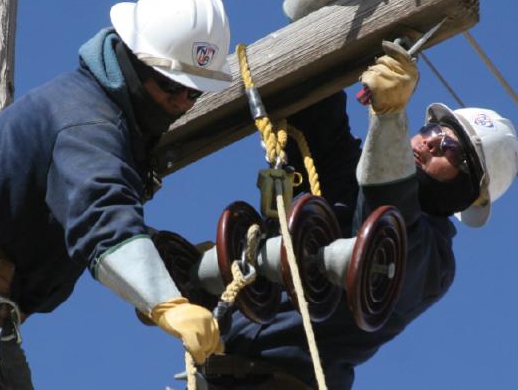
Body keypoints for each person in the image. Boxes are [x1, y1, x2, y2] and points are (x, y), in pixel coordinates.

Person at [0, 0, 232, 388]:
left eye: (195, 91)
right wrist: (165, 304)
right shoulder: (86, 119)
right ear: (133, 60)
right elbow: (101, 213)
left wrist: (176, 266)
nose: (181, 103)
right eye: (170, 84)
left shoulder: (108, 123)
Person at [198, 22, 518, 390]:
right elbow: (314, 111)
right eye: (433, 131)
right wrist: (323, 11)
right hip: (217, 371)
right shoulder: (348, 176)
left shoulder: (434, 263)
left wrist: (388, 119)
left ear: (468, 193)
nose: (432, 143)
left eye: (452, 149)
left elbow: (387, 227)